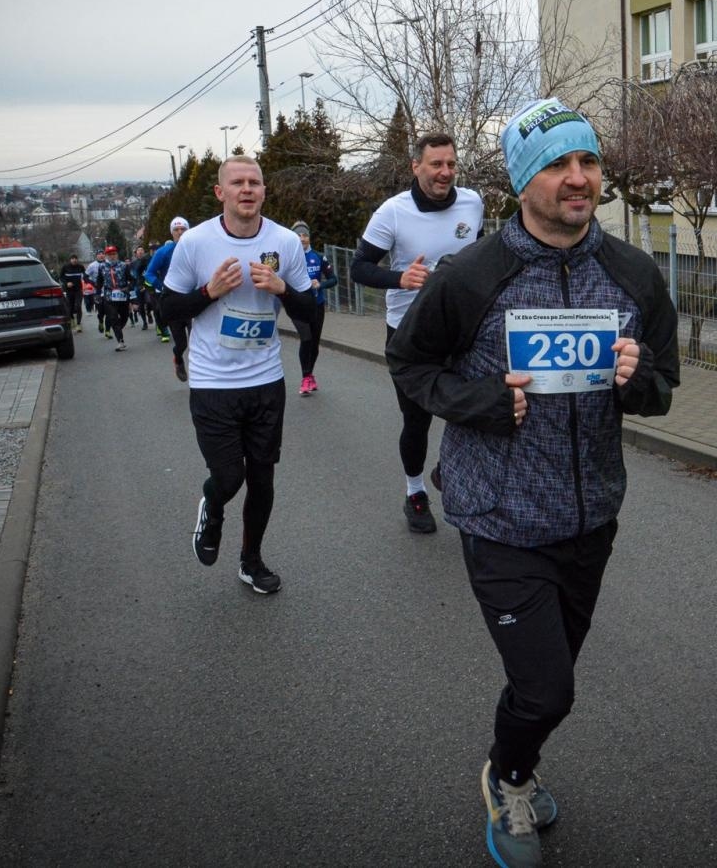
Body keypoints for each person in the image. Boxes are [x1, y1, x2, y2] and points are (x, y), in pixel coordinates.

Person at [387, 98, 678, 868]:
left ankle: (518, 757)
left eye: (587, 161)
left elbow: (663, 387)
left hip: (590, 518)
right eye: (557, 164)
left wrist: (635, 377)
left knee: (555, 678)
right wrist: (482, 401)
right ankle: (509, 779)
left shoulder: (633, 275)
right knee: (548, 692)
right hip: (501, 516)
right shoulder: (472, 275)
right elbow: (411, 364)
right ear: (523, 181)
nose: (577, 178)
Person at [158, 155, 315, 595]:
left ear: (264, 191)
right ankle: (213, 501)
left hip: (265, 381)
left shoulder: (285, 243)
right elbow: (167, 309)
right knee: (230, 478)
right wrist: (209, 292)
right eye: (238, 183)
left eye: (255, 183)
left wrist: (284, 289)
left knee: (263, 477)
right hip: (213, 384)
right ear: (220, 193)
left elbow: (309, 313)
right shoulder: (194, 244)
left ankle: (251, 560)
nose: (247, 189)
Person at [351, 132, 485, 533]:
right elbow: (359, 268)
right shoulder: (392, 212)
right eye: (436, 164)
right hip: (409, 333)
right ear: (416, 166)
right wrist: (401, 277)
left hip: (461, 328)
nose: (445, 173)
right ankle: (414, 492)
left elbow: (477, 258)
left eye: (451, 164)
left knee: (477, 407)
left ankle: (449, 468)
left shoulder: (472, 202)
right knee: (417, 420)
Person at [289, 221, 338, 396]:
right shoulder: (289, 258)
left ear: (309, 237)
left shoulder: (318, 257)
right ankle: (305, 377)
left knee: (314, 343)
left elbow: (333, 279)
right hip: (297, 305)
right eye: (298, 236)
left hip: (316, 305)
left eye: (305, 235)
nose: (302, 239)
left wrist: (320, 284)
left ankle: (309, 375)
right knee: (306, 338)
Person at [147, 216, 192, 382]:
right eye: (176, 230)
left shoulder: (195, 248)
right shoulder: (163, 252)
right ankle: (178, 358)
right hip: (173, 301)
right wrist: (161, 286)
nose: (180, 233)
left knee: (198, 340)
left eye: (183, 229)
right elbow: (149, 273)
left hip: (193, 300)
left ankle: (201, 375)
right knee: (181, 344)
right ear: (172, 232)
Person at [92, 245, 134, 350]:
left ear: (117, 255)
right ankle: (120, 341)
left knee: (124, 317)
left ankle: (117, 329)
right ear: (106, 256)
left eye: (114, 254)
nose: (112, 256)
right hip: (109, 296)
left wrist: (128, 288)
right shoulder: (102, 267)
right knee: (113, 317)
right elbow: (99, 281)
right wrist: (97, 294)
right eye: (109, 254)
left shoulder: (124, 266)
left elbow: (132, 280)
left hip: (122, 296)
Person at [58, 253, 85, 333]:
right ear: (70, 260)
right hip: (69, 290)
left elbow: (85, 276)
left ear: (77, 260)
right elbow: (61, 277)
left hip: (78, 290)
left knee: (78, 306)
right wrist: (66, 283)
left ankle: (78, 324)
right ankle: (72, 319)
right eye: (73, 258)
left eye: (75, 258)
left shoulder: (80, 267)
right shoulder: (65, 267)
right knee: (70, 307)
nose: (74, 260)